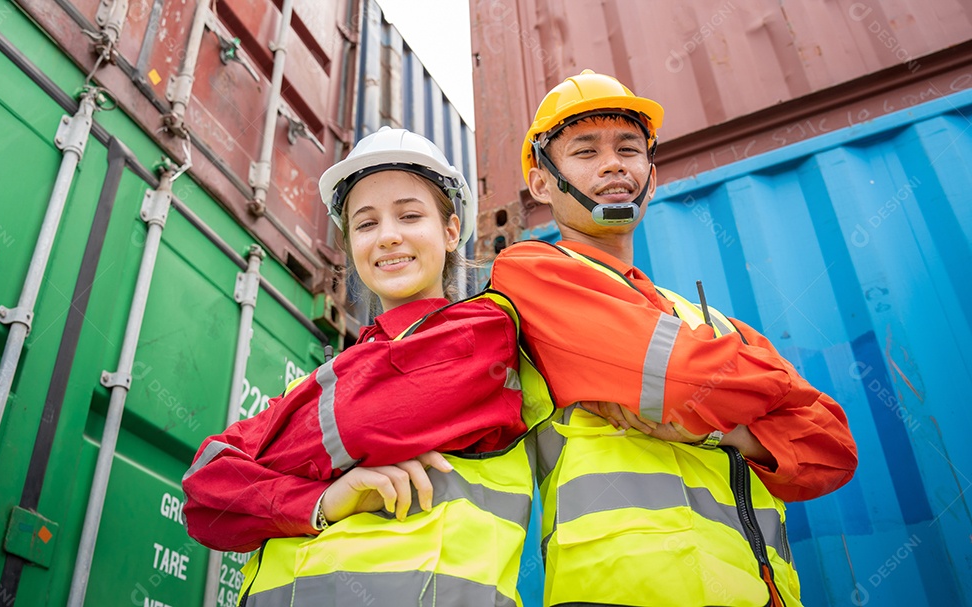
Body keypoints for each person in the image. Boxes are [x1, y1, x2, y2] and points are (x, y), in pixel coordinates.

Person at [489, 70, 859, 606]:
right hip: (627, 593)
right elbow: (685, 379)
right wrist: (775, 395)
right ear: (542, 182)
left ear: (651, 175)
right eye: (586, 151)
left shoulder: (712, 323)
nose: (614, 163)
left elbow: (834, 452)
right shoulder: (533, 273)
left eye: (629, 149)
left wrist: (722, 434)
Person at [182, 127, 552, 606]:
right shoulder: (337, 372)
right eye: (366, 223)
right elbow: (205, 494)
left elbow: (363, 420)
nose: (389, 236)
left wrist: (264, 477)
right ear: (351, 245)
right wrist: (322, 500)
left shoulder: (482, 334)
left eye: (410, 215)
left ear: (451, 230)